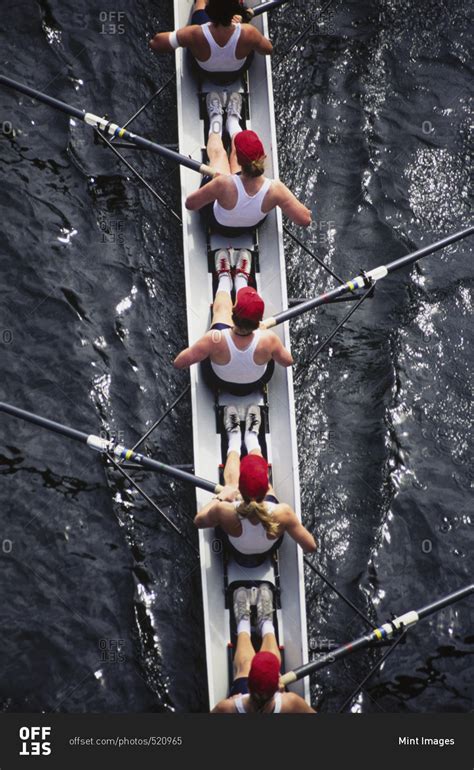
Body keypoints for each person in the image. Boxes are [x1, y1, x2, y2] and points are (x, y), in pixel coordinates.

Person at [194, 409, 317, 556]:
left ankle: (234, 438)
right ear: (265, 490)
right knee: (259, 473)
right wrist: (289, 525)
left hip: (235, 548)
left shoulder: (224, 510)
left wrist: (222, 496)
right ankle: (251, 437)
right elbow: (311, 547)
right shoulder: (284, 513)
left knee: (230, 484)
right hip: (268, 548)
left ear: (241, 488)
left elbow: (198, 521)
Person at [173, 261, 293, 395]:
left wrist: (208, 347)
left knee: (221, 310)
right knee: (270, 353)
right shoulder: (270, 339)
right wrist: (262, 333)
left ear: (233, 310)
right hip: (254, 384)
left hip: (218, 381)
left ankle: (224, 277)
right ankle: (241, 278)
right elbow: (288, 361)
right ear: (259, 319)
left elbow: (179, 363)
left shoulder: (214, 339)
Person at [186, 124, 312, 236]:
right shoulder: (276, 189)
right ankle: (233, 122)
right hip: (249, 227)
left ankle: (215, 123)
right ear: (264, 157)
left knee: (219, 155)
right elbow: (305, 220)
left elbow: (190, 204)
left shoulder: (222, 184)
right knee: (231, 159)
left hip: (217, 224)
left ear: (240, 163)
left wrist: (215, 187)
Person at [212, 585, 316, 713]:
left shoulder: (226, 708)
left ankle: (243, 624)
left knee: (246, 665)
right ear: (279, 686)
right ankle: (266, 623)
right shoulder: (291, 703)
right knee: (269, 660)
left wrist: (231, 703)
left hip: (242, 704)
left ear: (248, 685)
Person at [149, 0, 272, 86]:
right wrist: (243, 21)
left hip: (205, 73)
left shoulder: (194, 34)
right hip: (235, 74)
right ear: (235, 12)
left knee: (199, 7)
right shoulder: (249, 32)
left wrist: (177, 37)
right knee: (251, 43)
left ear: (210, 11)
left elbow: (155, 44)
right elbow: (268, 49)